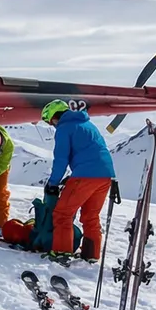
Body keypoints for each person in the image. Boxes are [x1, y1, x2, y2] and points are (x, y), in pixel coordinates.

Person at [41, 99, 116, 261]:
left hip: (85, 175)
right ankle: (91, 255)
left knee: (62, 214)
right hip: (105, 175)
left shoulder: (64, 128)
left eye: (50, 121)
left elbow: (61, 159)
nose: (52, 125)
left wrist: (53, 183)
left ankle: (61, 253)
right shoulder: (88, 124)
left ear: (55, 117)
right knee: (91, 216)